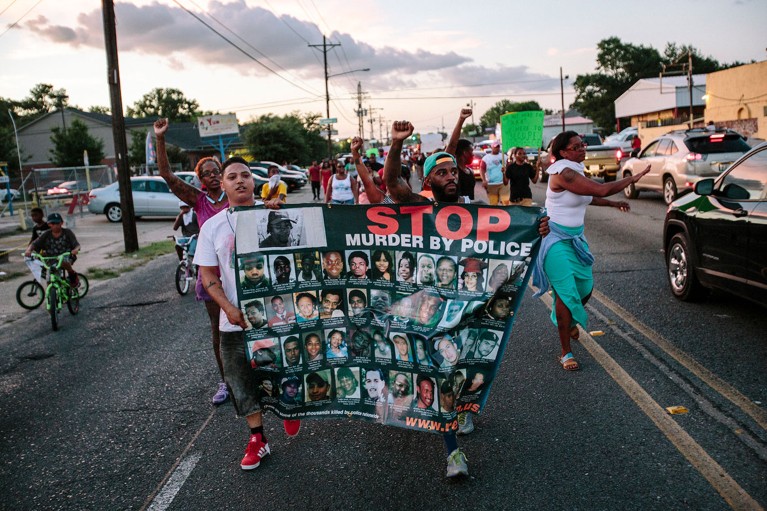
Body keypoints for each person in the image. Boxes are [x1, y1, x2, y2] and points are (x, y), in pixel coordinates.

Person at [193, 155, 300, 470]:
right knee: (241, 381)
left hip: (277, 317)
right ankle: (258, 438)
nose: (239, 180)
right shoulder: (212, 227)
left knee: (282, 372)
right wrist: (229, 308)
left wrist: (280, 217)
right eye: (232, 176)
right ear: (222, 185)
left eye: (245, 175)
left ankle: (290, 410)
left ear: (255, 182)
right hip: (235, 320)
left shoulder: (275, 216)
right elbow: (209, 276)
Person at [531, 130, 649, 372]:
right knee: (566, 295)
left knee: (584, 288)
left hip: (575, 239)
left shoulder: (575, 171)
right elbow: (600, 189)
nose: (582, 148)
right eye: (576, 146)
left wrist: (613, 204)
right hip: (555, 240)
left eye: (582, 144)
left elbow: (589, 197)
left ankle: (568, 319)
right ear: (563, 152)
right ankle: (566, 352)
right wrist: (633, 177)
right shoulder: (563, 172)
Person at [155, 118, 230, 406]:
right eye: (207, 173)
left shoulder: (236, 196)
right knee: (219, 328)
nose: (213, 176)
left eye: (217, 172)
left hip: (240, 272)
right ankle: (226, 381)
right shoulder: (199, 201)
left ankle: (252, 374)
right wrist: (160, 138)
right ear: (201, 180)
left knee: (250, 323)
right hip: (211, 274)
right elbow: (167, 174)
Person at [25, 212, 80, 286]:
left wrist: (75, 250)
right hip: (51, 258)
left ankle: (72, 273)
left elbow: (77, 245)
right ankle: (51, 293)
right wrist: (29, 250)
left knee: (64, 261)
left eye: (58, 223)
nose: (56, 226)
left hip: (66, 256)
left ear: (62, 223)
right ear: (49, 224)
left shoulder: (67, 232)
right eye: (53, 223)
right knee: (49, 278)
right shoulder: (46, 234)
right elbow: (34, 243)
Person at [445, 108, 477, 200]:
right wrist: (461, 119)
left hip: (470, 211)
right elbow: (452, 145)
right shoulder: (454, 171)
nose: (473, 155)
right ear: (464, 152)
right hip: (457, 212)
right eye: (471, 152)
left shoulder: (469, 171)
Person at [351, 137, 385, 204]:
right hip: (363, 198)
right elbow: (358, 164)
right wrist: (354, 152)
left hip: (376, 198)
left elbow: (379, 182)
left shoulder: (374, 173)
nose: (367, 168)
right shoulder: (360, 175)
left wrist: (372, 176)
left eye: (368, 167)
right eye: (365, 167)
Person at [480, 140, 505, 205]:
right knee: (493, 203)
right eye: (495, 147)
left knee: (506, 202)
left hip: (503, 183)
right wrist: (484, 180)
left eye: (498, 147)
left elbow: (508, 167)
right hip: (491, 184)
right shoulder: (486, 158)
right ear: (492, 147)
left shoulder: (503, 156)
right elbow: (482, 170)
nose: (497, 148)